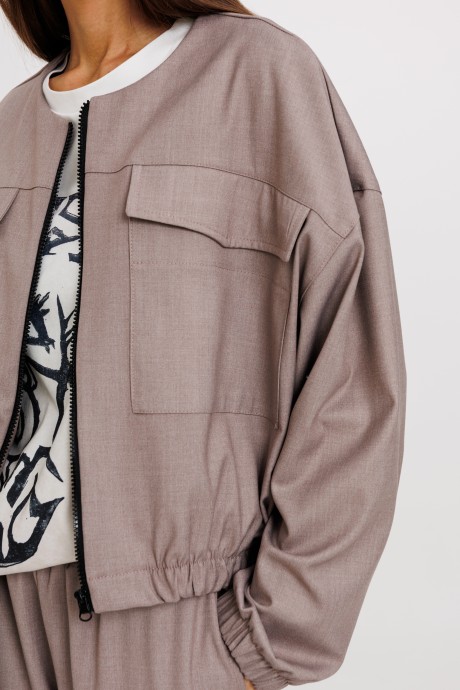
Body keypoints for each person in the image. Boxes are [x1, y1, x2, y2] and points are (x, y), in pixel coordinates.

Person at [0, 0, 407, 688]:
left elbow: (353, 376)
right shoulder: (13, 121)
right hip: (10, 615)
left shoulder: (262, 75)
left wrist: (267, 643)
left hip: (177, 619)